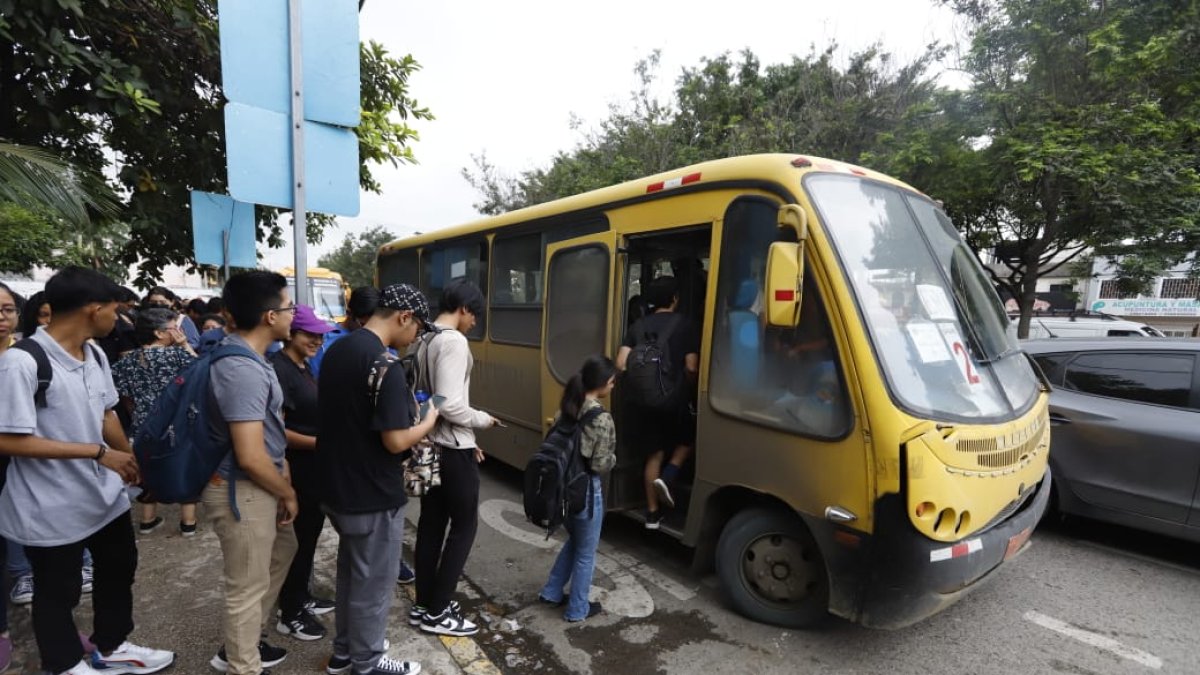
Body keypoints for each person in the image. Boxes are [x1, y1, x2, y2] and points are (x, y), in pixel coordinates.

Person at [0, 268, 174, 675]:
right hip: (50, 505)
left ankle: (110, 645)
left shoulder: (94, 353)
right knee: (58, 589)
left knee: (119, 567)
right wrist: (97, 454)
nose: (119, 319)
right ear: (93, 310)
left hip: (101, 497)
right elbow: (7, 439)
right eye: (114, 310)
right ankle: (63, 664)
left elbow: (105, 411)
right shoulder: (22, 363)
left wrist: (128, 458)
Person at [317, 284, 437, 675]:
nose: (415, 337)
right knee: (373, 585)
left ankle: (344, 653)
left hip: (337, 486)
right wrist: (431, 420)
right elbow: (395, 440)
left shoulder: (338, 350)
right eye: (417, 328)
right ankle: (366, 663)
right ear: (404, 317)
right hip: (372, 493)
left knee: (352, 575)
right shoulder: (383, 365)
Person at [203, 271, 299, 675]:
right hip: (241, 489)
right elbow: (250, 456)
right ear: (269, 316)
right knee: (245, 586)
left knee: (283, 550)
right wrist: (287, 492)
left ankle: (245, 643)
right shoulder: (240, 368)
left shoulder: (251, 358)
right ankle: (243, 663)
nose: (294, 314)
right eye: (289, 306)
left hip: (257, 485)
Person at [411, 280, 500, 637]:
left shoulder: (424, 338)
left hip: (431, 446)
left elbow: (430, 402)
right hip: (451, 450)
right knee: (464, 528)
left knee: (431, 526)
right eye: (474, 314)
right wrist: (482, 420)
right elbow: (449, 403)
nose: (475, 322)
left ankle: (424, 604)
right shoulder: (453, 341)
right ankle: (438, 610)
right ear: (463, 308)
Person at [270, 305, 335, 642]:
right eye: (310, 334)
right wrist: (320, 443)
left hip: (313, 469)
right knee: (295, 542)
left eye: (321, 335)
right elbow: (276, 429)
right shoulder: (279, 369)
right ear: (291, 333)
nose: (317, 340)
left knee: (308, 539)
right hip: (296, 470)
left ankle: (301, 596)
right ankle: (290, 611)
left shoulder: (302, 366)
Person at [616, 276, 700, 530]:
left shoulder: (638, 326)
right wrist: (683, 387)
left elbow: (620, 364)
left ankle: (652, 515)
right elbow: (692, 367)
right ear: (675, 298)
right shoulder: (686, 325)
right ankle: (671, 474)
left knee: (653, 454)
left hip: (641, 402)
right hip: (673, 401)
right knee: (688, 440)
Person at [537, 355, 617, 622]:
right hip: (586, 492)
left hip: (562, 490)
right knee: (586, 553)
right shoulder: (601, 418)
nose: (614, 386)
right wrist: (615, 458)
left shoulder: (567, 408)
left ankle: (551, 592)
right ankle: (578, 608)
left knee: (576, 542)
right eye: (613, 382)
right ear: (604, 383)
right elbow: (600, 464)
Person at [110, 308, 198, 536]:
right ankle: (188, 522)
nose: (178, 332)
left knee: (149, 469)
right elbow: (201, 374)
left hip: (143, 423)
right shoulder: (178, 355)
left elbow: (125, 396)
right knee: (184, 468)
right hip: (178, 423)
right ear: (159, 333)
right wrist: (185, 345)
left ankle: (147, 520)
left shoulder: (125, 361)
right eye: (174, 328)